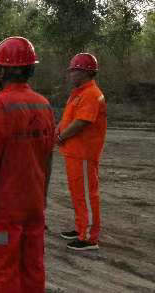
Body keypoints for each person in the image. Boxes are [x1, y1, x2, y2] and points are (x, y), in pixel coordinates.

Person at [0, 36, 55, 292]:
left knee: (3, 270)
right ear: (30, 70)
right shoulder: (44, 105)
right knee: (33, 269)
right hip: (34, 206)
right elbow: (48, 157)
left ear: (1, 71)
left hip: (3, 211)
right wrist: (42, 197)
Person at [57, 53, 107, 251]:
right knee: (78, 194)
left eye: (74, 70)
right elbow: (70, 118)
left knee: (86, 194)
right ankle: (81, 228)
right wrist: (59, 129)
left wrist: (61, 136)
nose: (71, 74)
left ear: (85, 72)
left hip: (84, 153)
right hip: (75, 152)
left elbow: (82, 122)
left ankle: (89, 238)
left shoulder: (91, 94)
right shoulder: (79, 92)